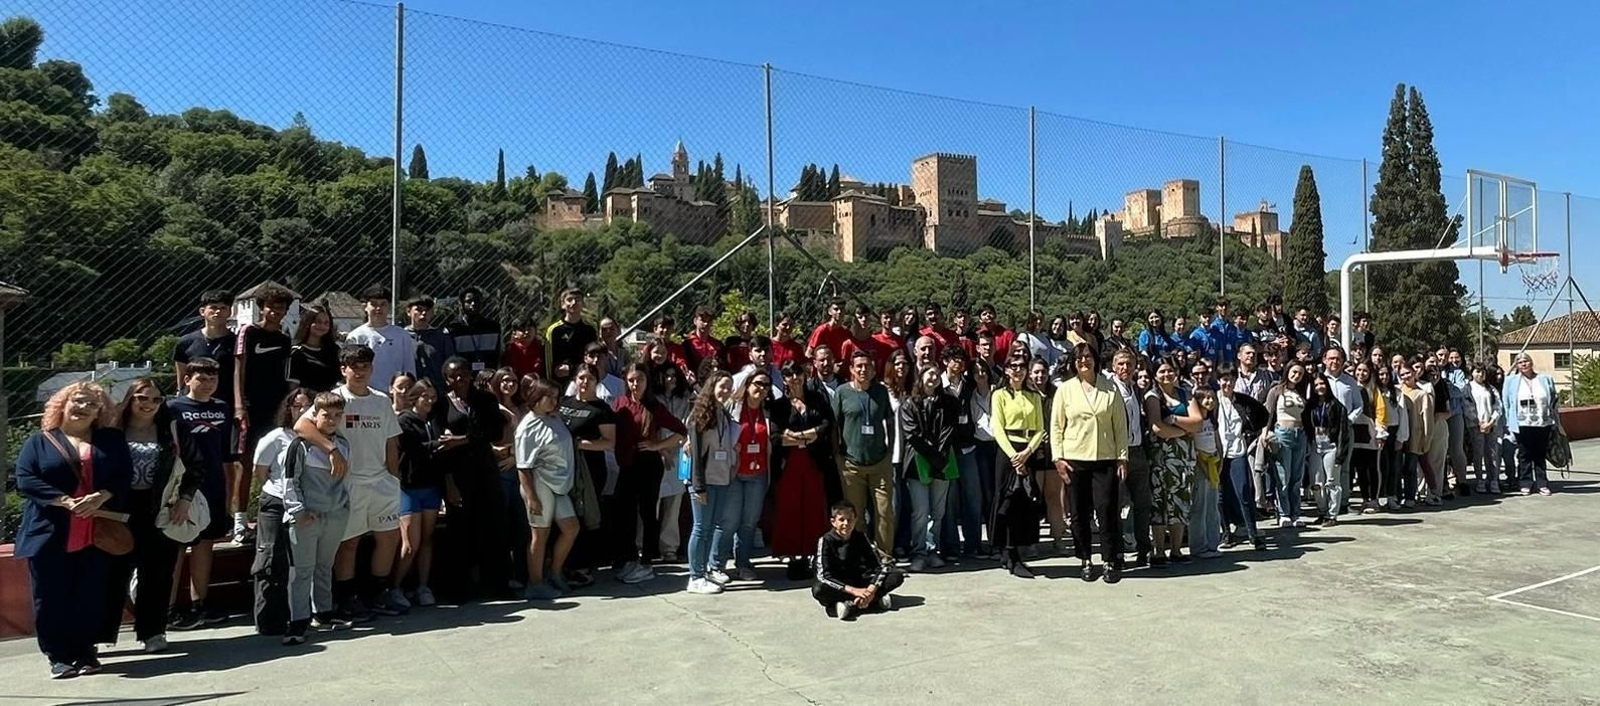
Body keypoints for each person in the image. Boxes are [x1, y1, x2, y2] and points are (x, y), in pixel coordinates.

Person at [14, 381, 128, 678]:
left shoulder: (111, 440)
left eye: (92, 404)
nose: (83, 407)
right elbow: (25, 479)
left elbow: (123, 475)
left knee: (90, 592)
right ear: (62, 404)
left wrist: (102, 495)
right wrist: (64, 500)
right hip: (50, 530)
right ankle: (58, 656)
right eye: (78, 401)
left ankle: (85, 651)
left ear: (100, 411)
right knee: (50, 596)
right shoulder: (39, 441)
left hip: (96, 529)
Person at [292, 344, 405, 619]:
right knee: (349, 542)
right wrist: (331, 451)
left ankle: (379, 593)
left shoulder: (381, 400)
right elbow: (302, 427)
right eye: (353, 367)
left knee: (388, 538)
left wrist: (394, 477)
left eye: (364, 366)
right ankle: (347, 598)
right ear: (344, 370)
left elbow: (391, 442)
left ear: (372, 369)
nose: (359, 372)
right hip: (348, 482)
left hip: (381, 482)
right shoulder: (334, 399)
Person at [103, 379, 199, 655]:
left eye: (156, 400)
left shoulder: (173, 430)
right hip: (118, 509)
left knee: (157, 574)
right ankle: (102, 634)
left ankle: (153, 631)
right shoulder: (112, 432)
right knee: (112, 573)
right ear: (130, 400)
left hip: (160, 508)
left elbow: (196, 466)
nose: (149, 405)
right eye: (142, 398)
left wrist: (184, 499)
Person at [166, 357, 237, 629]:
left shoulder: (221, 408)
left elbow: (228, 456)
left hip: (214, 485)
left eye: (212, 379)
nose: (207, 384)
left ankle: (200, 603)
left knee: (205, 544)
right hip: (183, 487)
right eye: (201, 379)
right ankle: (169, 608)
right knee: (176, 545)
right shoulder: (173, 407)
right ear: (187, 380)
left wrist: (229, 492)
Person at [1051, 343, 1130, 582]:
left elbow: (1120, 425)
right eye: (1078, 358)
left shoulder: (1110, 388)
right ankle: (1085, 558)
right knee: (1078, 513)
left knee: (1106, 509)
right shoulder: (1065, 390)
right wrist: (1058, 458)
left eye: (1087, 357)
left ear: (1095, 359)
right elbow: (1056, 426)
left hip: (1105, 458)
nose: (1083, 361)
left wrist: (1122, 457)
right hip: (1075, 458)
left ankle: (1108, 560)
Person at [280, 391, 353, 645]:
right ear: (315, 415)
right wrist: (298, 512)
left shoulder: (343, 444)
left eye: (337, 415)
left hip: (334, 515)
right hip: (306, 519)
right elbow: (289, 481)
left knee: (324, 566)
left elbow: (345, 482)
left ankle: (323, 613)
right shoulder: (299, 445)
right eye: (326, 415)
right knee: (302, 571)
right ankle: (297, 621)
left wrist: (344, 508)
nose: (332, 420)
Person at [437, 355, 511, 598]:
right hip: (457, 476)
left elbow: (494, 432)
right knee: (459, 530)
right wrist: (448, 483)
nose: (460, 379)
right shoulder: (441, 404)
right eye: (453, 375)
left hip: (486, 471)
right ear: (446, 379)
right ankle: (458, 587)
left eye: (464, 373)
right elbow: (440, 446)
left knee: (494, 527)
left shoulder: (486, 400)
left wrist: (462, 440)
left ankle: (497, 584)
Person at [611, 363, 687, 583]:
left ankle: (647, 561)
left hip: (648, 466)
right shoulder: (620, 404)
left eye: (640, 379)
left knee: (647, 512)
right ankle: (628, 558)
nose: (636, 384)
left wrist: (658, 445)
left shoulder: (655, 406)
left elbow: (681, 431)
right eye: (632, 380)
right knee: (623, 512)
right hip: (626, 465)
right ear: (626, 381)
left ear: (647, 382)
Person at [248, 387, 312, 637]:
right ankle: (269, 621)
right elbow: (260, 471)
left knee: (302, 564)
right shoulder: (276, 437)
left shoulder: (316, 436)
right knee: (270, 560)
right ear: (288, 408)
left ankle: (301, 615)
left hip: (305, 504)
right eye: (298, 405)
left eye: (308, 405)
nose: (303, 410)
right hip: (275, 502)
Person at [232, 285, 293, 544]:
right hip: (250, 407)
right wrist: (238, 404)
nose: (275, 312)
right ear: (261, 307)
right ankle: (239, 521)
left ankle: (272, 515)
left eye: (281, 308)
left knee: (278, 464)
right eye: (271, 307)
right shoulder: (248, 331)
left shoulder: (285, 337)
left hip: (276, 409)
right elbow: (238, 369)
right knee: (245, 465)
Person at [514, 379, 583, 600]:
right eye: (549, 397)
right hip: (539, 483)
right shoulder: (528, 426)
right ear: (536, 398)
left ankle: (554, 572)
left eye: (556, 396)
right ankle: (535, 583)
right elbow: (523, 467)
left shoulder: (553, 418)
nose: (554, 401)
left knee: (571, 527)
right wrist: (532, 498)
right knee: (540, 535)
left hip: (559, 483)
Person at [769, 360, 838, 580]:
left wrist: (798, 436)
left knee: (813, 508)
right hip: (788, 465)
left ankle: (813, 554)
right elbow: (777, 437)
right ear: (784, 378)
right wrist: (808, 436)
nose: (795, 378)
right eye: (789, 374)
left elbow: (826, 427)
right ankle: (792, 557)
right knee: (790, 509)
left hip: (814, 462)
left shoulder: (818, 400)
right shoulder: (779, 405)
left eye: (798, 372)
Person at [832, 350, 896, 557]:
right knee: (855, 515)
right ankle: (859, 556)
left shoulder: (881, 391)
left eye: (867, 366)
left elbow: (890, 421)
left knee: (884, 512)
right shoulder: (842, 392)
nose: (863, 369)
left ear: (873, 369)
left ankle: (884, 557)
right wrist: (837, 455)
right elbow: (834, 426)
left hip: (879, 462)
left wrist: (890, 450)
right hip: (851, 464)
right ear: (851, 369)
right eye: (858, 366)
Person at [900, 364, 959, 572]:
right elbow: (912, 435)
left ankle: (933, 550)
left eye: (936, 374)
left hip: (943, 463)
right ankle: (918, 552)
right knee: (920, 511)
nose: (933, 378)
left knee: (938, 511)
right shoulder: (909, 403)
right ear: (921, 377)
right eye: (929, 374)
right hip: (918, 462)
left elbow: (949, 430)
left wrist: (939, 457)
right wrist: (933, 455)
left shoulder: (949, 402)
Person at [992, 352, 1046, 578]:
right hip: (1008, 453)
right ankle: (1007, 551)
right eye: (1013, 366)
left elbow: (1040, 428)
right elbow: (998, 427)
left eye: (1022, 366)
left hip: (1028, 450)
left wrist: (1026, 454)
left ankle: (1016, 550)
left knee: (1024, 502)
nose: (1018, 370)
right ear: (1006, 370)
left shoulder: (1033, 396)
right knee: (1007, 501)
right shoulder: (1000, 395)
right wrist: (1015, 457)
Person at [685, 371, 737, 594]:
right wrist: (698, 486)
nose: (725, 391)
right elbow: (695, 453)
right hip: (703, 480)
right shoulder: (699, 414)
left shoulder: (723, 414)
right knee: (700, 528)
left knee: (712, 526)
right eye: (722, 386)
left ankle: (705, 571)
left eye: (729, 387)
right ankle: (694, 576)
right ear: (712, 386)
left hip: (721, 478)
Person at [722, 368, 776, 582]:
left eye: (766, 385)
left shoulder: (769, 411)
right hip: (735, 472)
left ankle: (743, 564)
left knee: (749, 522)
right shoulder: (732, 407)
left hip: (759, 473)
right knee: (729, 522)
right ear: (747, 384)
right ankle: (716, 565)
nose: (761, 389)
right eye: (758, 384)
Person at [395, 380, 443, 606]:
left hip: (431, 486)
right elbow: (414, 450)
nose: (430, 402)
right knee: (410, 543)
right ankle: (395, 587)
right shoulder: (404, 420)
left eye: (433, 397)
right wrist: (439, 445)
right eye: (426, 397)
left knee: (427, 539)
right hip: (409, 488)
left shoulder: (433, 420)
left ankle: (423, 586)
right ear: (415, 398)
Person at [812, 501, 902, 621]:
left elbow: (879, 567)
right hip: (841, 585)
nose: (846, 524)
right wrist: (854, 591)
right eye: (841, 520)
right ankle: (872, 602)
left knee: (896, 575)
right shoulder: (825, 541)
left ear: (855, 520)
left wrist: (871, 590)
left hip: (860, 581)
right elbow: (823, 576)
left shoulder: (861, 537)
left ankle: (852, 605)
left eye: (850, 519)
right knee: (819, 589)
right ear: (833, 522)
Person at [1214, 366, 1269, 551]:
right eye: (1223, 379)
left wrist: (1250, 429)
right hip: (1218, 453)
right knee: (1220, 495)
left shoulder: (1242, 400)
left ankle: (1253, 533)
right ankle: (1226, 534)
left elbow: (1263, 414)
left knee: (1244, 491)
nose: (1226, 383)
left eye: (1230, 379)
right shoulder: (1213, 400)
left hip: (1237, 451)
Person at [1503, 352, 1558, 496]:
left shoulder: (1545, 379)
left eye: (1526, 361)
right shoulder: (1510, 381)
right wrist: (1508, 422)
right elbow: (1506, 403)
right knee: (1524, 454)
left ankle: (1542, 483)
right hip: (1522, 422)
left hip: (1542, 422)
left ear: (1531, 362)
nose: (1523, 364)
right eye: (1520, 362)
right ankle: (1525, 482)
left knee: (1540, 454)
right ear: (1517, 365)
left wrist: (1556, 421)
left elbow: (1553, 399)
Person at [654, 364, 693, 563]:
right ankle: (644, 547)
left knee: (674, 504)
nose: (671, 380)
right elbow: (652, 426)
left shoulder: (684, 399)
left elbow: (687, 426)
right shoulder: (654, 399)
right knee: (652, 503)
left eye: (674, 376)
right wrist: (662, 449)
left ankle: (669, 548)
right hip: (658, 453)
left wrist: (677, 446)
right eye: (667, 376)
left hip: (679, 453)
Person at [345, 285, 417, 392]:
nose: (378, 308)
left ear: (389, 307)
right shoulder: (356, 336)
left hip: (395, 394)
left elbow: (409, 368)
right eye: (373, 304)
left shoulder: (401, 335)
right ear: (365, 307)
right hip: (365, 394)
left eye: (383, 304)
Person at [1265, 362, 1311, 527]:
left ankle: (1295, 513)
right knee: (1283, 475)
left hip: (1300, 434)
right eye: (1294, 372)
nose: (1296, 375)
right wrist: (1265, 434)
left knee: (1297, 477)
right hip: (1283, 433)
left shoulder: (1301, 392)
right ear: (1287, 371)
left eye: (1300, 373)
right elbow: (1268, 413)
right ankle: (1283, 513)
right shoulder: (1276, 390)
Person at [1305, 374, 1352, 526]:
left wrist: (1340, 454)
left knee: (1332, 481)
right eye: (1316, 384)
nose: (1320, 387)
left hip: (1331, 445)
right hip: (1315, 445)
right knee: (1316, 481)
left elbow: (1343, 432)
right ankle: (1322, 511)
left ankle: (1332, 515)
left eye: (1322, 383)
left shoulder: (1337, 406)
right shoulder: (1310, 406)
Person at [544, 288, 596, 386]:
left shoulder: (590, 330)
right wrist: (550, 383)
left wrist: (573, 369)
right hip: (560, 382)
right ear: (562, 304)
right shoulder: (554, 330)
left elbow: (593, 357)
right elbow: (548, 360)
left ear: (583, 304)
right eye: (569, 300)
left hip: (583, 380)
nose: (574, 303)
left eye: (578, 300)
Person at [1400, 363, 1435, 507]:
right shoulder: (1397, 390)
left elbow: (1428, 419)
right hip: (1399, 435)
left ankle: (1410, 496)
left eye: (1408, 373)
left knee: (1411, 467)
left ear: (1414, 373)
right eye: (1402, 374)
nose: (1406, 376)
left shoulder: (1422, 394)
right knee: (1399, 468)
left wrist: (1426, 439)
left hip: (1415, 435)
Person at [445, 286, 502, 373]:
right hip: (464, 377)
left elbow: (498, 356)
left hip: (488, 376)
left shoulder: (493, 327)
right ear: (461, 304)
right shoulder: (454, 329)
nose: (473, 304)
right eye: (469, 301)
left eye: (477, 300)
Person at [1465, 364, 1503, 495]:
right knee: (1478, 453)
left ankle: (1493, 480)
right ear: (1472, 373)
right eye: (1477, 372)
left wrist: (1491, 422)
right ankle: (1480, 479)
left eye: (1483, 372)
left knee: (1492, 453)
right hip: (1475, 426)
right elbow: (1467, 406)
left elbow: (1498, 406)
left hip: (1491, 426)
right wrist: (1478, 423)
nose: (1480, 375)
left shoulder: (1491, 389)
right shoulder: (1468, 388)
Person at [288, 303, 342, 393]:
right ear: (307, 322)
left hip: (330, 401)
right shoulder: (296, 352)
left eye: (326, 323)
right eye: (318, 321)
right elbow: (292, 386)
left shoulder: (334, 350)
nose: (322, 326)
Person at [405, 296, 455, 391]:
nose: (423, 313)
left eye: (427, 310)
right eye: (418, 310)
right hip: (409, 391)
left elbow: (450, 363)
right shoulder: (401, 336)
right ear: (408, 312)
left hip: (438, 390)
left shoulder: (442, 336)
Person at [685, 307, 724, 375]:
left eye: (709, 321)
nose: (706, 324)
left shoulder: (718, 345)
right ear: (695, 321)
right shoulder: (688, 345)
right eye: (703, 320)